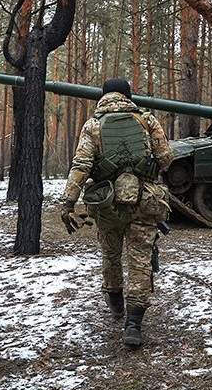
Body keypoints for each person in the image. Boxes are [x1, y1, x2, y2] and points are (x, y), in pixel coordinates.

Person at [58, 78, 174, 348]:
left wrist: (68, 202)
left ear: (103, 97)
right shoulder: (147, 120)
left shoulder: (93, 126)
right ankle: (133, 324)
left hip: (107, 203)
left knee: (111, 255)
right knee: (140, 261)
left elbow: (81, 166)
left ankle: (115, 305)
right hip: (144, 202)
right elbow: (166, 158)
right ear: (128, 95)